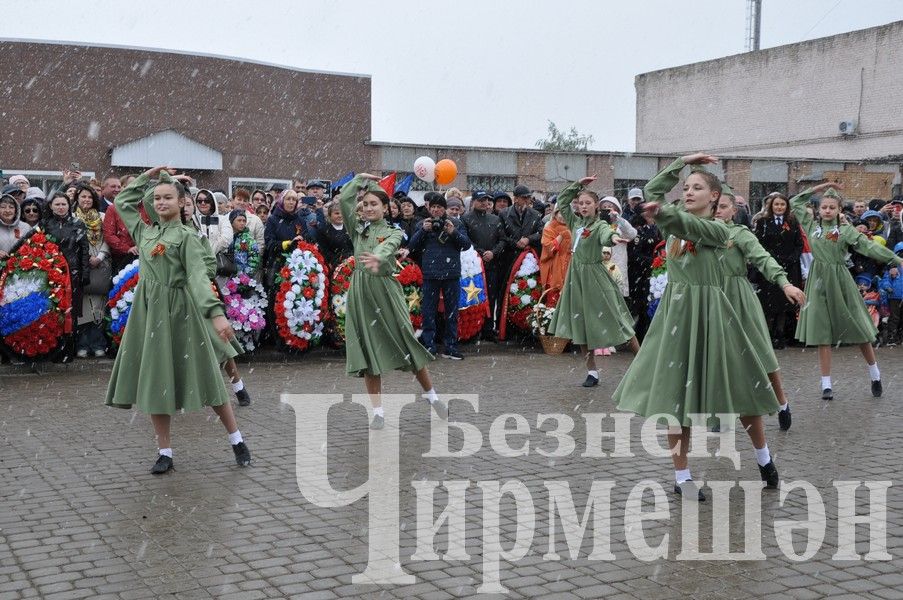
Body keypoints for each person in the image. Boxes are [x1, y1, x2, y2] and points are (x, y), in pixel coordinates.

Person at [615, 154, 783, 500]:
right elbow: (653, 190)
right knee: (676, 397)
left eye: (697, 187)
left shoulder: (718, 230)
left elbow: (688, 225)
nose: (689, 192)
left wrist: (663, 212)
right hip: (677, 317)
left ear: (715, 198)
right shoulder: (674, 224)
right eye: (687, 187)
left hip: (712, 314)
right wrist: (681, 162)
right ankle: (682, 477)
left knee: (742, 386)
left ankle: (764, 459)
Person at [105, 167, 251, 474]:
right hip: (149, 314)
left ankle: (237, 439)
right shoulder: (144, 231)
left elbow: (200, 277)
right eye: (156, 198)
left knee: (208, 378)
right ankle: (165, 452)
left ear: (181, 202)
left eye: (168, 197)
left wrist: (214, 312)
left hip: (182, 311)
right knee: (157, 380)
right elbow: (123, 203)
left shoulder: (187, 237)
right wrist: (151, 175)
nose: (160, 202)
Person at [337, 174, 447, 429]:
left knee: (407, 342)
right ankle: (378, 412)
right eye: (365, 205)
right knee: (367, 351)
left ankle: (432, 396)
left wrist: (377, 256)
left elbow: (388, 247)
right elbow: (344, 200)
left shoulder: (393, 232)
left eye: (374, 204)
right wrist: (359, 182)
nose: (368, 208)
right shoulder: (356, 228)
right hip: (360, 292)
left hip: (386, 290)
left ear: (386, 208)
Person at [792, 183, 903, 399]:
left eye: (832, 207)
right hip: (818, 282)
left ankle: (875, 374)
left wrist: (896, 259)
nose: (827, 211)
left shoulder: (845, 231)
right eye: (824, 207)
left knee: (861, 329)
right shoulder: (810, 225)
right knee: (822, 334)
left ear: (839, 210)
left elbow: (868, 246)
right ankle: (826, 384)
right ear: (818, 209)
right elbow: (795, 202)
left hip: (840, 281)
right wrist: (822, 186)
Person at [715, 192, 806, 431]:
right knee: (718, 356)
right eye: (715, 205)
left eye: (723, 206)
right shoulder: (702, 233)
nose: (718, 210)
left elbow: (763, 257)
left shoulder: (741, 233)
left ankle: (782, 401)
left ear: (734, 211)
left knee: (761, 354)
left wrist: (783, 281)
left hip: (737, 296)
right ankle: (722, 412)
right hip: (712, 296)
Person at [547, 177, 639, 387]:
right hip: (576, 278)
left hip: (596, 277)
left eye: (588, 203)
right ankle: (592, 371)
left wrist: (614, 239)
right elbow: (562, 200)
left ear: (596, 206)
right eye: (580, 203)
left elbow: (607, 235)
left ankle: (642, 362)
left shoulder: (600, 225)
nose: (584, 206)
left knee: (619, 319)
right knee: (581, 324)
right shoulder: (575, 222)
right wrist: (578, 185)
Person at [180, 183, 253, 407]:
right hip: (177, 296)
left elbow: (210, 263)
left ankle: (238, 385)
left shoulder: (198, 231)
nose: (186, 208)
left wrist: (198, 271)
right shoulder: (166, 232)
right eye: (182, 203)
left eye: (189, 203)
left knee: (219, 340)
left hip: (201, 291)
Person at [408, 192, 472, 359]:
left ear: (444, 209)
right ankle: (429, 345)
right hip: (430, 274)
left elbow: (466, 245)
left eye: (439, 207)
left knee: (451, 312)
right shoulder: (423, 224)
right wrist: (423, 231)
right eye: (433, 207)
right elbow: (412, 247)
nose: (436, 210)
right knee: (429, 312)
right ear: (429, 208)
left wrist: (453, 232)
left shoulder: (456, 223)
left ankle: (451, 346)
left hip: (451, 273)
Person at [41, 192, 90, 361]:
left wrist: (85, 273)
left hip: (74, 273)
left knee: (72, 312)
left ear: (69, 206)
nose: (61, 207)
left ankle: (69, 350)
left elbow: (84, 250)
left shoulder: (78, 223)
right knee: (53, 311)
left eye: (64, 204)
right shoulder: (45, 224)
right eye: (57, 204)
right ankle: (53, 350)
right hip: (52, 272)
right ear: (51, 206)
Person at [754, 192, 804, 348]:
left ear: (786, 206)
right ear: (771, 206)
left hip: (789, 267)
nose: (779, 207)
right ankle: (767, 335)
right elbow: (759, 243)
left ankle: (780, 335)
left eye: (782, 204)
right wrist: (773, 258)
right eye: (776, 204)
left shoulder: (793, 222)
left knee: (784, 304)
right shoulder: (763, 222)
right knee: (769, 304)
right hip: (770, 268)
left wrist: (792, 258)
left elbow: (799, 243)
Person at [73, 184, 112, 357]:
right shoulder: (72, 217)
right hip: (80, 262)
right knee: (82, 305)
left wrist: (100, 256)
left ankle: (97, 343)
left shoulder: (103, 216)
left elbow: (108, 238)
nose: (86, 200)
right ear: (77, 199)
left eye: (89, 197)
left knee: (98, 304)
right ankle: (82, 343)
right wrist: (84, 257)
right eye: (83, 197)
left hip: (100, 261)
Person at [461, 190, 506, 340]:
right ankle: (474, 329)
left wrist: (493, 252)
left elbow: (503, 240)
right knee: (474, 297)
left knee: (491, 296)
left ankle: (488, 329)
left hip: (493, 263)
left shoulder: (495, 219)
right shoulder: (465, 219)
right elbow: (466, 240)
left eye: (486, 200)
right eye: (480, 200)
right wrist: (480, 252)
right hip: (473, 266)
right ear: (473, 201)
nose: (484, 203)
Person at [627, 207, 661, 342]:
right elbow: (634, 255)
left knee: (647, 306)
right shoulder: (638, 231)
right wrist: (652, 261)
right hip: (638, 274)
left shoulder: (655, 229)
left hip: (651, 274)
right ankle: (634, 339)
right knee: (637, 307)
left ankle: (644, 337)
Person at [599, 196, 637, 300]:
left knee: (617, 297)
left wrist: (618, 219)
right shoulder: (598, 224)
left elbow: (632, 234)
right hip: (601, 264)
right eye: (604, 207)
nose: (607, 209)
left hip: (618, 264)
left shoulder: (621, 223)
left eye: (610, 207)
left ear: (616, 208)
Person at [539, 207, 572, 306]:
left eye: (565, 213)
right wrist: (561, 236)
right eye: (560, 213)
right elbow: (549, 249)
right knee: (553, 298)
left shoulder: (573, 228)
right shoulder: (549, 228)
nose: (562, 216)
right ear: (555, 214)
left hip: (570, 265)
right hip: (553, 268)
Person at [316, 200, 353, 270]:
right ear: (330, 215)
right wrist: (338, 263)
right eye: (337, 213)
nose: (340, 215)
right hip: (333, 266)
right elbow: (324, 250)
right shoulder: (323, 230)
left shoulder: (350, 228)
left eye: (342, 213)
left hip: (351, 265)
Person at [879, 245, 903, 345]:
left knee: (899, 317)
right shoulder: (892, 269)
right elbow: (884, 280)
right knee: (894, 317)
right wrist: (888, 287)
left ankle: (899, 336)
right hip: (894, 296)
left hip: (896, 296)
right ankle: (892, 337)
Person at [0, 194, 32, 258]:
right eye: (3, 207)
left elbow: (33, 247)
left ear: (16, 210)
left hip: (21, 266)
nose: (7, 210)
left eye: (11, 207)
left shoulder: (26, 227)